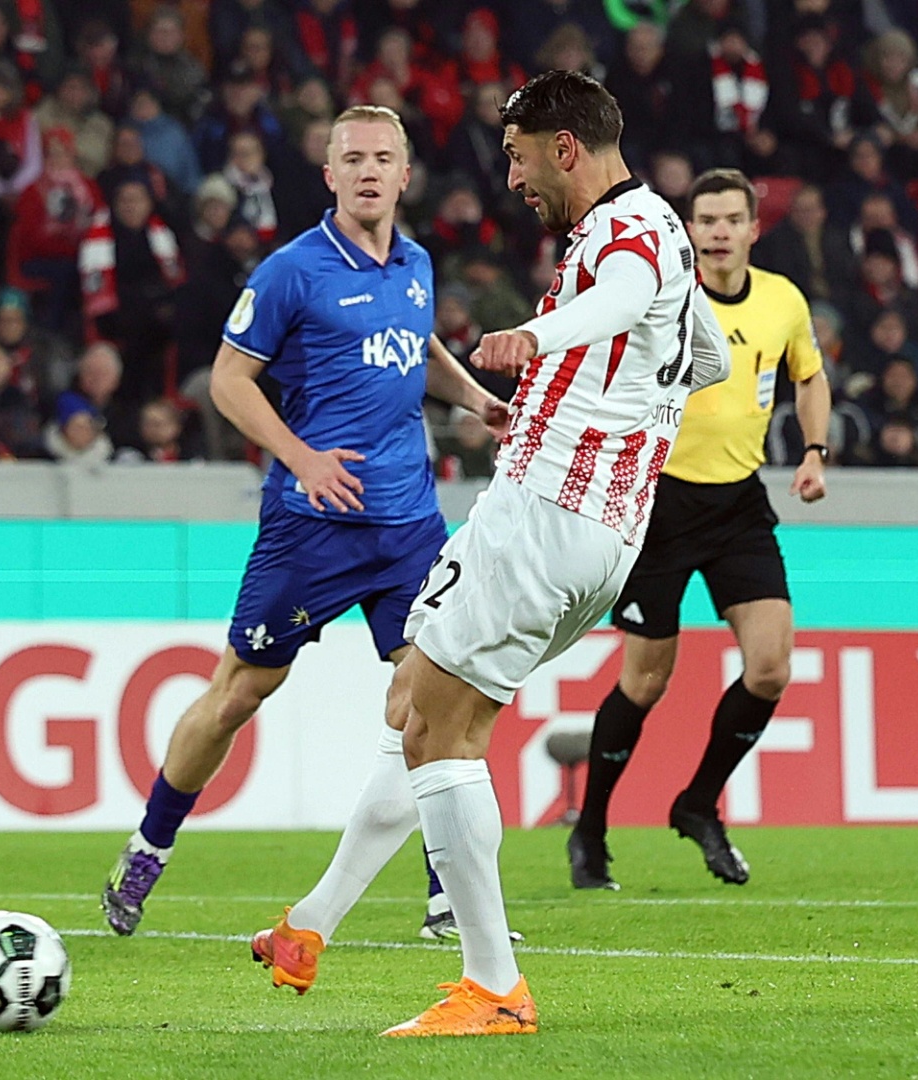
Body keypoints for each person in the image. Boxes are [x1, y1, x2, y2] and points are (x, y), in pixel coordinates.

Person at [98, 105, 511, 965]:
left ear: (405, 175)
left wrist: (472, 398)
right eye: (352, 158)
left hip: (407, 524)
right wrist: (302, 456)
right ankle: (149, 847)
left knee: (439, 698)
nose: (368, 171)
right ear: (328, 175)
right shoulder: (292, 271)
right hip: (310, 527)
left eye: (383, 158)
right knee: (239, 694)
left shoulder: (417, 264)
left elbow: (418, 342)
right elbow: (226, 381)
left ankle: (446, 893)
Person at [382, 71, 729, 1037]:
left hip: (547, 512)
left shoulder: (626, 238)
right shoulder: (663, 231)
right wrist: (626, 412)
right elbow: (712, 359)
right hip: (605, 531)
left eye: (519, 156)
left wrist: (537, 336)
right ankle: (320, 922)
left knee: (434, 732)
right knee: (420, 706)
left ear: (564, 146)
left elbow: (614, 303)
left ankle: (491, 987)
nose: (512, 177)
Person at [568, 168, 832, 893]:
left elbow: (808, 375)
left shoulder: (783, 300)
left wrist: (813, 452)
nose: (716, 231)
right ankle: (590, 828)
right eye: (704, 219)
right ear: (689, 230)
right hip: (659, 504)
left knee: (772, 664)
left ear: (753, 228)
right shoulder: (659, 296)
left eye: (729, 219)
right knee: (646, 680)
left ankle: (696, 803)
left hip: (738, 504)